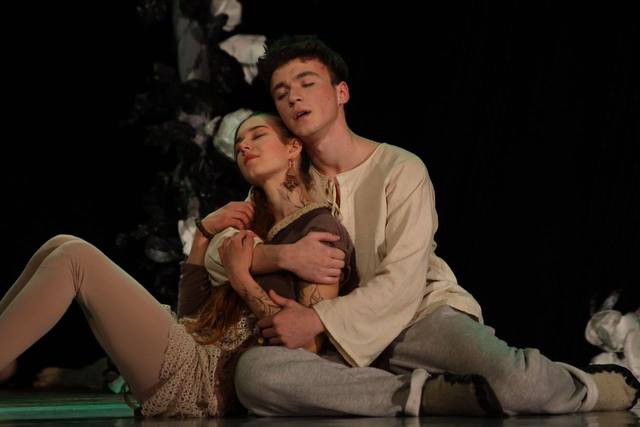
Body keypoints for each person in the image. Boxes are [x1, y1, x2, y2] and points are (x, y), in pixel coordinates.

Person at [205, 35, 640, 417]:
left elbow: (403, 282)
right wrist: (283, 255)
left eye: (306, 83)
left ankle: (586, 387)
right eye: (281, 93)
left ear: (341, 92)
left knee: (516, 385)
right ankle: (424, 395)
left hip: (417, 318)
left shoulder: (400, 168)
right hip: (332, 343)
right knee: (255, 376)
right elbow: (219, 254)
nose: (294, 98)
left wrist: (317, 317)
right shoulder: (285, 182)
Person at [0, 112, 358, 417]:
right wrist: (202, 235)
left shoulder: (319, 229)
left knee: (75, 258)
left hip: (212, 382)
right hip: (194, 349)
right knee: (60, 243)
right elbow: (193, 315)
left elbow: (307, 352)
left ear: (293, 147)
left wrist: (241, 277)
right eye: (238, 143)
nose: (244, 147)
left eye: (257, 135)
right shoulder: (251, 223)